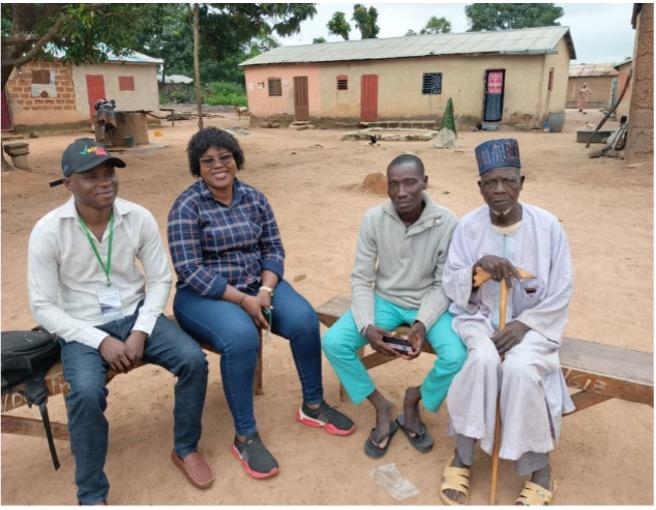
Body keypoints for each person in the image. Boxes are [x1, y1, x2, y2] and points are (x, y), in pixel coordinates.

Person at [27, 139, 212, 505]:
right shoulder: (48, 232)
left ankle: (185, 447)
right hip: (81, 328)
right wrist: (100, 342)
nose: (105, 182)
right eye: (91, 176)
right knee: (86, 393)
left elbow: (160, 279)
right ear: (68, 183)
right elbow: (44, 306)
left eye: (109, 173)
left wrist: (142, 330)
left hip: (136, 315)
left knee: (193, 361)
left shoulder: (137, 217)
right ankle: (92, 492)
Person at [167, 127, 354, 480]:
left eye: (225, 157)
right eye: (208, 161)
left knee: (301, 319)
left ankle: (313, 404)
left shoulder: (254, 198)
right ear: (198, 167)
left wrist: (265, 291)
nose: (218, 166)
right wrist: (242, 300)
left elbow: (273, 249)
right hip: (203, 295)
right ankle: (245, 435)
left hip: (258, 284)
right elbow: (189, 269)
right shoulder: (186, 206)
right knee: (241, 338)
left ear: (237, 160)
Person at [439, 139, 574, 505]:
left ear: (522, 182)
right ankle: (463, 456)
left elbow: (561, 290)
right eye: (490, 183)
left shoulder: (547, 227)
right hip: (480, 317)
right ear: (479, 187)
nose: (499, 190)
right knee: (481, 361)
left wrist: (525, 324)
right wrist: (476, 268)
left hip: (534, 325)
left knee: (519, 370)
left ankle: (540, 467)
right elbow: (451, 282)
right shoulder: (467, 227)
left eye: (508, 181)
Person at [322, 154, 467, 459]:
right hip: (384, 301)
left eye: (410, 182)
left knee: (456, 356)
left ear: (424, 183)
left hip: (429, 303)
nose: (402, 192)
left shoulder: (447, 221)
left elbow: (444, 284)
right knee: (334, 342)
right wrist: (367, 326)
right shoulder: (374, 219)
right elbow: (361, 279)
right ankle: (382, 406)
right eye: (394, 184)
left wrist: (421, 325)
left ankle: (415, 399)